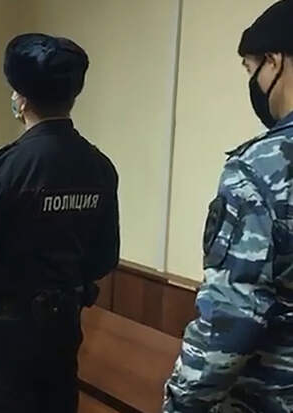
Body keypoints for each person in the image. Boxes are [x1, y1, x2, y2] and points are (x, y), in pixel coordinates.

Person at [0, 33, 120, 413]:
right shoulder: (98, 166)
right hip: (64, 328)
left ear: (20, 99)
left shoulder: (5, 168)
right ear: (72, 96)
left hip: (7, 334)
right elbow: (104, 257)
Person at [163, 1, 293, 412]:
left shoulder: (261, 168)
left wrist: (180, 405)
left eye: (251, 68)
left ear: (274, 62)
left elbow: (231, 321)